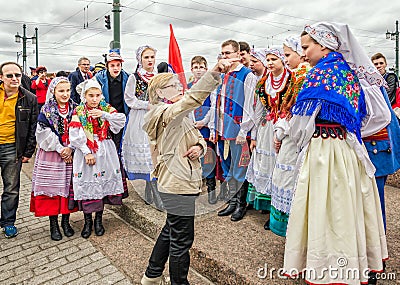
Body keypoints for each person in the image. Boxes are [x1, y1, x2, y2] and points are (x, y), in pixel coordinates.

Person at [283, 22, 389, 285]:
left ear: (323, 45)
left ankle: (326, 266)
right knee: (347, 207)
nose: (304, 53)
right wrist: (350, 132)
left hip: (322, 150)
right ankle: (355, 263)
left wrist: (298, 139)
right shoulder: (350, 74)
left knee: (324, 206)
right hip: (347, 149)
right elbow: (380, 116)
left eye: (306, 47)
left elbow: (299, 125)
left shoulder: (319, 75)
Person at [140, 59, 225, 285]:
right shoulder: (163, 112)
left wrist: (199, 146)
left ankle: (152, 274)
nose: (180, 88)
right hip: (177, 183)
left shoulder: (176, 115)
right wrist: (213, 73)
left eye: (180, 84)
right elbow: (192, 99)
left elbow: (196, 137)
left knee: (171, 230)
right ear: (160, 92)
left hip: (180, 181)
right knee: (182, 240)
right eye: (174, 86)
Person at [69, 78, 126, 238]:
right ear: (84, 96)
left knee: (101, 185)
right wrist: (86, 152)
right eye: (91, 95)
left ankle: (99, 220)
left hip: (105, 150)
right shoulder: (79, 111)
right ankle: (87, 222)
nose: (94, 99)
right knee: (89, 185)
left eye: (98, 95)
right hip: (87, 150)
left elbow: (121, 120)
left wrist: (104, 114)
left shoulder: (106, 108)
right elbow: (75, 135)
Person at [211, 39, 258, 222]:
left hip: (238, 129)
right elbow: (218, 103)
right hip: (223, 128)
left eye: (228, 53)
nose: (225, 57)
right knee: (227, 165)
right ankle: (231, 201)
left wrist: (243, 130)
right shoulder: (222, 76)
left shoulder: (247, 75)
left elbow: (249, 106)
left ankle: (241, 204)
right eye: (223, 54)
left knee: (239, 167)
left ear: (238, 55)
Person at [269, 36, 309, 236]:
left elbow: (295, 112)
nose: (285, 59)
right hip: (288, 133)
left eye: (287, 55)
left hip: (293, 136)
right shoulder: (296, 74)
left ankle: (291, 228)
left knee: (289, 178)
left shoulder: (302, 76)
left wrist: (280, 132)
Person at [30, 77, 78, 241]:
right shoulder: (47, 110)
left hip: (71, 152)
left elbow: (80, 130)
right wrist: (60, 148)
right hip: (52, 153)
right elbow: (43, 133)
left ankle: (66, 221)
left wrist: (71, 147)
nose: (65, 94)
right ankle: (53, 224)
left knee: (68, 188)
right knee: (52, 189)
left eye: (67, 90)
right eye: (61, 91)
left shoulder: (76, 109)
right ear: (53, 92)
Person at [122, 45, 163, 210]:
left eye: (152, 57)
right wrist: (148, 105)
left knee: (156, 154)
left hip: (157, 117)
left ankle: (150, 189)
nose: (150, 60)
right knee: (147, 153)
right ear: (140, 59)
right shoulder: (134, 77)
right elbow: (129, 99)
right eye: (146, 57)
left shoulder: (159, 76)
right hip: (140, 119)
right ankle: (154, 191)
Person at [0, 61, 38, 238]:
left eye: (17, 75)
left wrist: (28, 152)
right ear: (1, 77)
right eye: (10, 75)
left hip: (12, 148)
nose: (15, 79)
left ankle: (8, 222)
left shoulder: (29, 98)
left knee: (11, 188)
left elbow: (32, 127)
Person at [190, 55, 220, 205]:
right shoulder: (189, 87)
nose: (199, 70)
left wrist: (203, 122)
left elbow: (213, 106)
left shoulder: (211, 87)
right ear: (191, 70)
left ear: (206, 69)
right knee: (193, 159)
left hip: (206, 129)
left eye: (201, 67)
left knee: (208, 160)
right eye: (196, 67)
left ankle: (211, 189)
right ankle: (195, 187)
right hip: (192, 129)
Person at [95, 52, 130, 151]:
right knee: (107, 144)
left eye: (118, 65)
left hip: (122, 115)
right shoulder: (99, 78)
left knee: (120, 143)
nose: (116, 68)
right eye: (112, 65)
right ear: (107, 66)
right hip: (105, 115)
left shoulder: (127, 78)